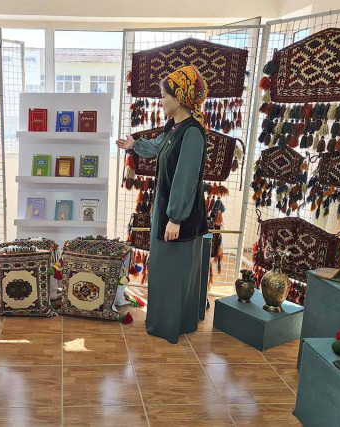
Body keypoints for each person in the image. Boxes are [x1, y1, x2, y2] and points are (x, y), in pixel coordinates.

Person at [117, 65, 209, 344]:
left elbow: (186, 179)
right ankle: (163, 320)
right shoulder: (174, 128)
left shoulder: (192, 133)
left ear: (179, 98)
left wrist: (176, 218)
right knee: (165, 268)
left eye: (164, 96)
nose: (161, 101)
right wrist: (133, 145)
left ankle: (171, 326)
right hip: (166, 210)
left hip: (179, 215)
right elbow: (157, 146)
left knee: (173, 271)